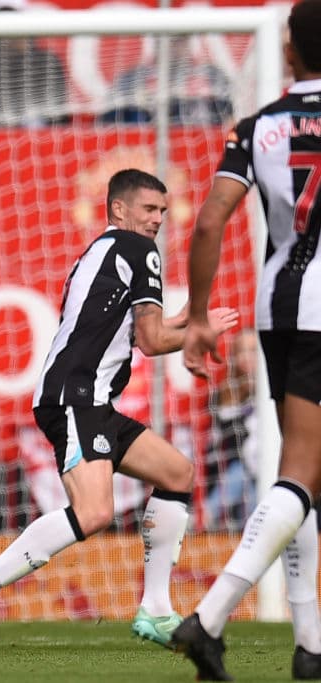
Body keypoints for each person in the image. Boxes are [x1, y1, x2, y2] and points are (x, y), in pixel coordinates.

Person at [0, 169, 238, 653]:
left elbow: (127, 328)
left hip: (90, 398)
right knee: (95, 511)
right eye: (149, 209)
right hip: (75, 396)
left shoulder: (101, 250)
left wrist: (182, 322)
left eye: (164, 211)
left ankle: (157, 608)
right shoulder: (137, 249)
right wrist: (199, 333)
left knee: (176, 473)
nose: (158, 219)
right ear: (119, 209)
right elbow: (151, 340)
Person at [174, 2, 321, 679]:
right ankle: (207, 619)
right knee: (301, 472)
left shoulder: (257, 127)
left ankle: (310, 641)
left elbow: (210, 223)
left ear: (289, 51)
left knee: (305, 467)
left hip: (278, 304)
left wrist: (199, 315)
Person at [100, 36, 232, 126]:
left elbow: (229, 120)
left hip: (198, 150)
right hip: (142, 150)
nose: (174, 45)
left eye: (180, 39)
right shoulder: (131, 79)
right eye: (169, 39)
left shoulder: (212, 76)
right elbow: (108, 122)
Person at [202, 328, 258, 531]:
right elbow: (222, 440)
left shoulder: (274, 391)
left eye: (253, 351)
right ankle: (204, 522)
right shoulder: (224, 394)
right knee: (238, 476)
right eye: (242, 351)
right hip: (237, 466)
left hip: (266, 466)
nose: (248, 358)